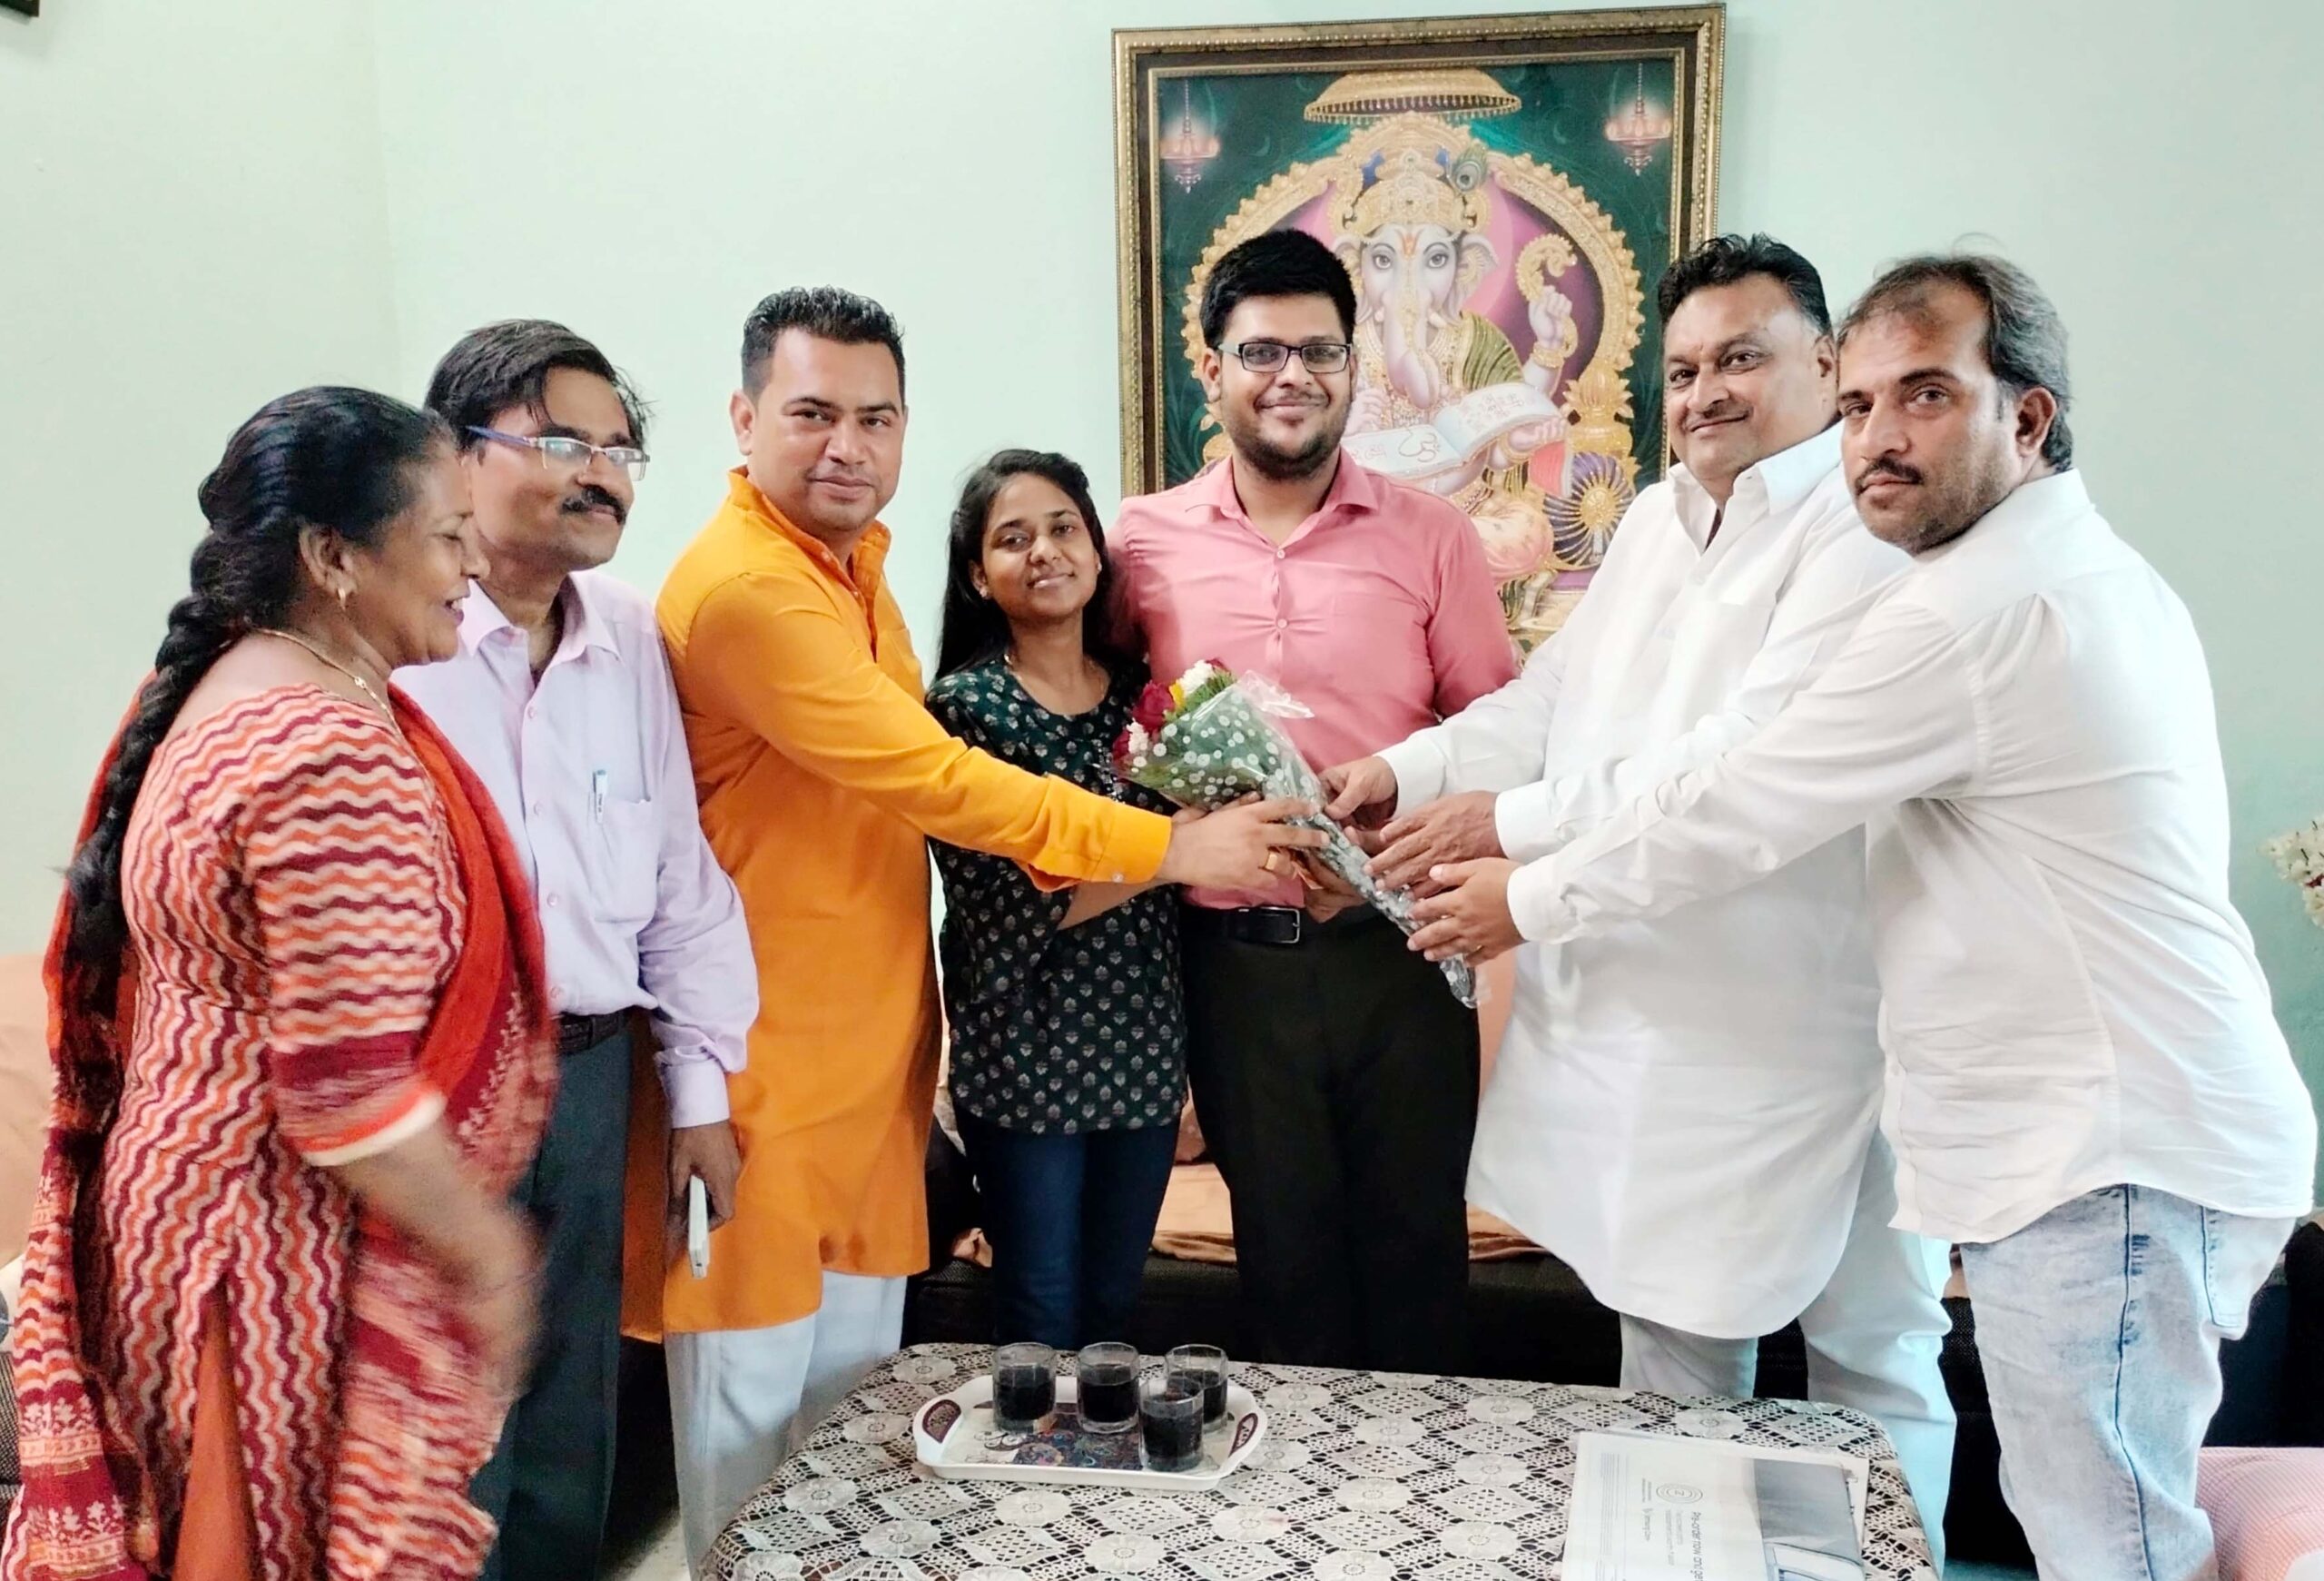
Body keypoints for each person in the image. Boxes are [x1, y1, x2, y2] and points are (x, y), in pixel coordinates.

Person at [1409, 254, 2318, 1580]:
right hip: (2066, 1130)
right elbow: (1621, 737)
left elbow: (1738, 796)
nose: (1879, 437)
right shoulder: (2040, 565)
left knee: (2102, 1537)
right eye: (1864, 404)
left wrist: (1523, 892)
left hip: (2103, 1143)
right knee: (2080, 1512)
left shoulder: (1971, 606)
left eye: (1926, 396)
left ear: (2027, 416)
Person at [638, 287, 1322, 1566]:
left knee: (850, 1424)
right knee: (750, 1435)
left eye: (876, 417)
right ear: (742, 418)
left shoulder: (854, 577)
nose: (848, 445)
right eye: (813, 413)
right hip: (761, 1063)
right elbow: (941, 782)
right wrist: (1171, 847)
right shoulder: (749, 593)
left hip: (870, 1063)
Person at [1323, 235, 1955, 1543]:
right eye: (1683, 369)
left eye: (1741, 359)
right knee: (1669, 1345)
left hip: (1819, 1023)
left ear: (1824, 363)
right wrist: (1405, 767)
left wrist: (1509, 829)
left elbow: (1735, 767)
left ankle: (1893, 1566)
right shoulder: (1665, 516)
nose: (1706, 392)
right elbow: (1556, 696)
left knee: (1875, 1353)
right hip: (1658, 1019)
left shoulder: (1859, 533)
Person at [5, 389, 555, 1578]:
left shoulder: (231, 686)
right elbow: (345, 1099)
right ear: (333, 556)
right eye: (446, 535)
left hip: (173, 1212)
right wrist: (491, 1254)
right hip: (262, 1251)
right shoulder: (331, 753)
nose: (474, 565)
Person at [1109, 230, 1519, 1371]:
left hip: (1401, 956)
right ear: (1212, 369)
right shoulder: (1139, 541)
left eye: (1318, 351)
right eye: (1261, 352)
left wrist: (1406, 841)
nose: (1291, 375)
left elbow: (1499, 735)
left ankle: (1416, 1485)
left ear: (1353, 365)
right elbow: (1105, 740)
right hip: (1230, 970)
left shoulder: (1433, 536)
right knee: (1282, 1269)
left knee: (1416, 1261)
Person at [394, 321, 758, 1581]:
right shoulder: (399, 646)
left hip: (596, 1074)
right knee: (440, 1432)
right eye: (562, 442)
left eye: (619, 448)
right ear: (452, 455)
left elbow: (678, 879)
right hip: (436, 1083)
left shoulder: (629, 638)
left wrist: (700, 1095)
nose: (601, 473)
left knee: (568, 1430)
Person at [925, 450, 1188, 1351]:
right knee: (1038, 1307)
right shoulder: (964, 711)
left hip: (1143, 1048)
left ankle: (1101, 1451)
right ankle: (1031, 1448)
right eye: (1013, 537)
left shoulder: (1142, 700)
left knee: (1115, 1306)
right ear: (977, 574)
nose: (1044, 550)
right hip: (1023, 1052)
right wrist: (1175, 852)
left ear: (1096, 549)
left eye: (1063, 527)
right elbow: (1001, 909)